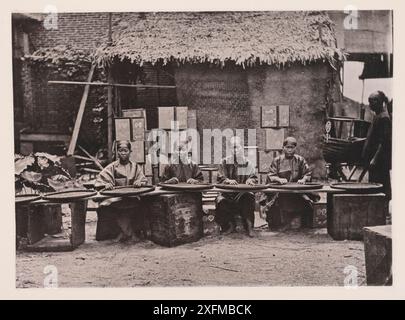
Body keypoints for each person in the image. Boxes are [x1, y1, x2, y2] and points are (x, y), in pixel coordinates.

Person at [95, 140, 148, 242]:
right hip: (116, 198)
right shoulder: (112, 167)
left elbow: (143, 179)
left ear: (130, 151)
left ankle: (132, 232)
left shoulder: (135, 167)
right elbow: (101, 180)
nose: (123, 153)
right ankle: (121, 233)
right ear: (117, 152)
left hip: (132, 198)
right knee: (105, 207)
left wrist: (139, 182)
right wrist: (107, 184)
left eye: (125, 150)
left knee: (144, 205)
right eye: (120, 151)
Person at [261, 137, 317, 230]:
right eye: (287, 147)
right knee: (274, 204)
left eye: (292, 147)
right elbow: (271, 175)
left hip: (297, 191)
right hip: (280, 191)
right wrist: (279, 179)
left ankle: (303, 224)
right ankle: (279, 224)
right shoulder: (277, 160)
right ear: (283, 148)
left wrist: (303, 179)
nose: (290, 150)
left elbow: (308, 174)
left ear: (295, 148)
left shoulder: (300, 160)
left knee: (308, 202)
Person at [216, 136, 258, 237]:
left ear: (242, 147)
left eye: (237, 147)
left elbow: (254, 177)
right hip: (228, 194)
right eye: (232, 147)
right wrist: (228, 181)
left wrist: (250, 180)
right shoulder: (224, 162)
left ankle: (249, 226)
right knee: (220, 200)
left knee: (249, 197)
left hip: (242, 194)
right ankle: (229, 226)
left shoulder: (248, 163)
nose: (235, 150)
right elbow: (220, 177)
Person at [362, 91, 392, 201]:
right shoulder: (377, 116)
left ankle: (383, 213)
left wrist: (375, 159)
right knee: (374, 186)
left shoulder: (384, 118)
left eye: (371, 102)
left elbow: (384, 142)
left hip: (380, 161)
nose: (369, 105)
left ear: (378, 102)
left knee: (381, 186)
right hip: (374, 160)